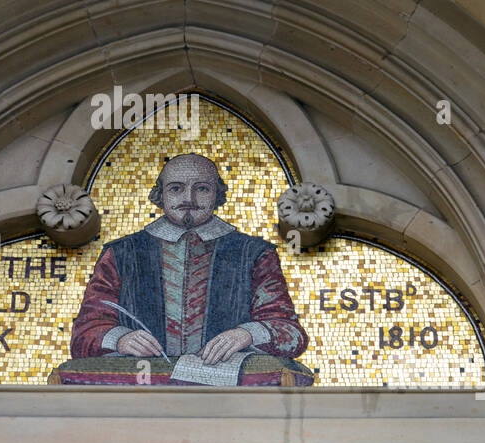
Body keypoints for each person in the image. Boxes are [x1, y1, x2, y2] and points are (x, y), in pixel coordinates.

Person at [70, 153, 308, 364]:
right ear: (160, 195)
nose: (189, 199)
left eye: (202, 188)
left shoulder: (255, 253)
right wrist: (120, 339)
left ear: (217, 195)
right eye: (176, 188)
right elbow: (85, 333)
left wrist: (246, 334)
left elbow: (291, 333)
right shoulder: (121, 253)